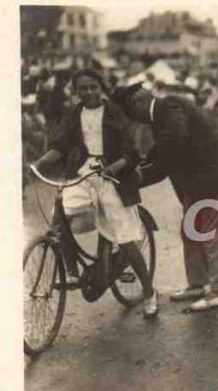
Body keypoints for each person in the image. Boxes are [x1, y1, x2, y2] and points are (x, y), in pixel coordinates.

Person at [33, 69, 158, 317]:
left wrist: (114, 166)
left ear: (100, 88)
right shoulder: (75, 114)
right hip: (83, 173)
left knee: (125, 238)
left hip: (113, 175)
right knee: (60, 218)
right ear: (76, 91)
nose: (88, 92)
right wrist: (38, 164)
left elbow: (131, 152)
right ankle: (71, 270)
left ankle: (148, 291)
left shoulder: (114, 113)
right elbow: (60, 146)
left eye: (93, 87)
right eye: (83, 88)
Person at [112, 84, 218, 312]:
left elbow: (173, 143)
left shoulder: (169, 106)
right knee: (191, 229)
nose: (136, 121)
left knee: (214, 231)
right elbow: (166, 154)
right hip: (194, 178)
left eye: (132, 114)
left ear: (139, 103)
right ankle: (198, 283)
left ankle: (216, 291)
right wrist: (141, 173)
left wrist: (141, 173)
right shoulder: (161, 115)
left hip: (211, 173)